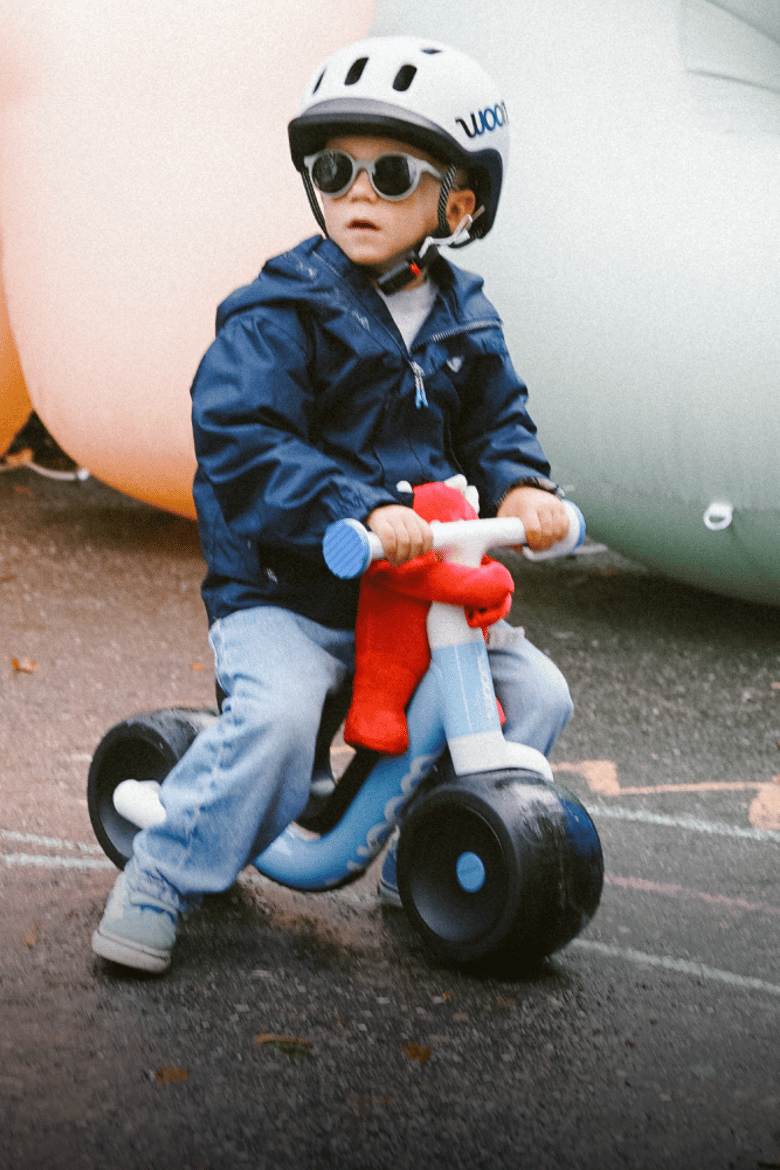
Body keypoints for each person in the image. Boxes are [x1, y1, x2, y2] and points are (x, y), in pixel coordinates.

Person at [91, 36, 573, 973]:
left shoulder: (465, 316)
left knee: (535, 695)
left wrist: (524, 487)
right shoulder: (280, 313)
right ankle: (160, 875)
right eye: (335, 168)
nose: (358, 192)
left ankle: (429, 854)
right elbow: (244, 441)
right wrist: (355, 507)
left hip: (417, 590)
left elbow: (499, 422)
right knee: (275, 723)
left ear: (458, 202)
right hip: (290, 592)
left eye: (393, 174)